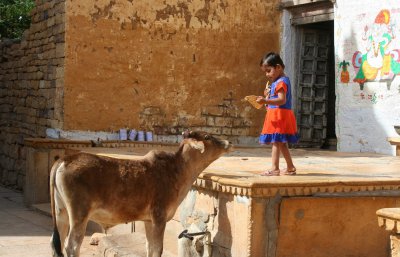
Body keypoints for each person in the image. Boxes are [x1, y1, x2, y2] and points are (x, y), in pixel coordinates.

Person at [256, 52, 299, 176]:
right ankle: (290, 167)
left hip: (280, 115)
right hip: (277, 114)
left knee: (276, 141)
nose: (267, 74)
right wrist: (266, 98)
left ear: (278, 67)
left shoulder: (281, 82)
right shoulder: (278, 81)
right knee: (281, 142)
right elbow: (275, 100)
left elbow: (282, 100)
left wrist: (265, 100)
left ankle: (275, 169)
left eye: (269, 71)